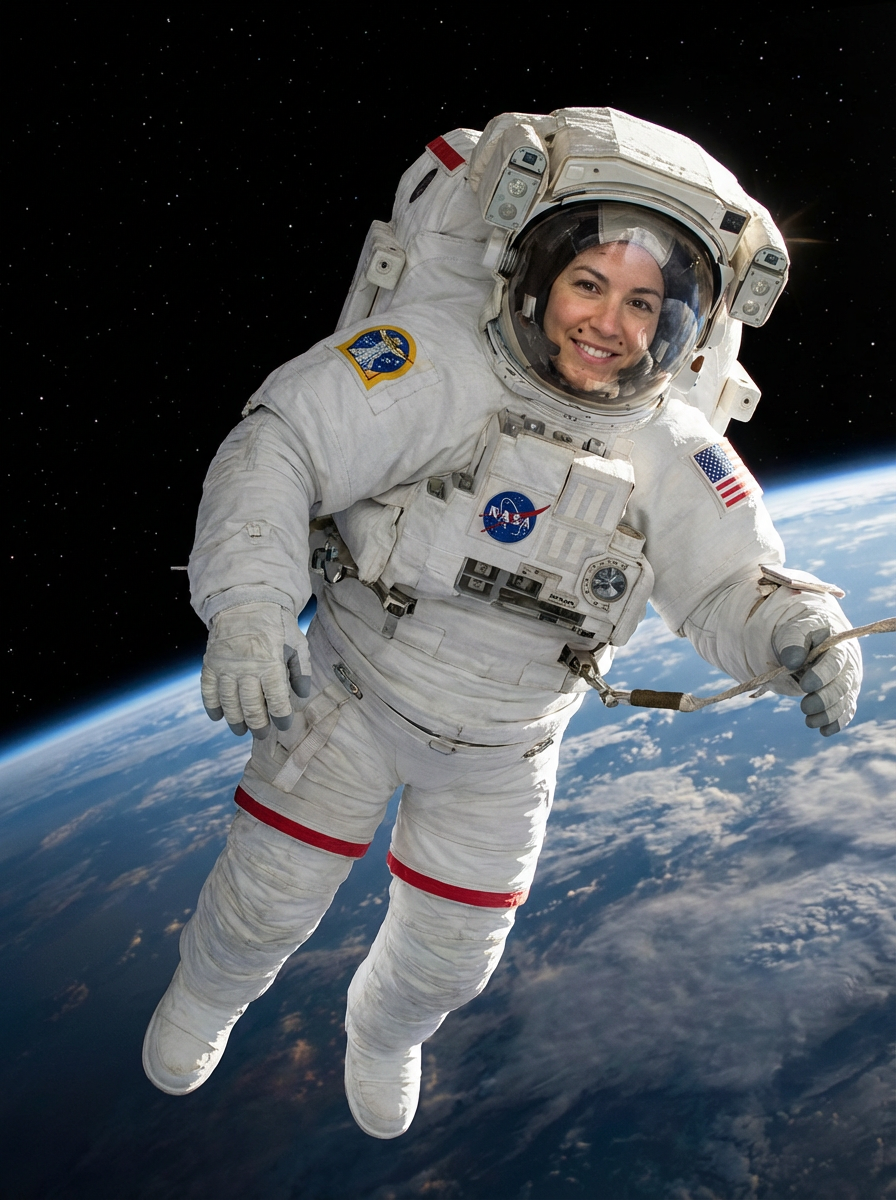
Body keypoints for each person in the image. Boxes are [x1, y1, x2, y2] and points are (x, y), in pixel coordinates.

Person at [142, 108, 862, 1138]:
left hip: (507, 747)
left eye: (643, 302)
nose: (609, 323)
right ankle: (205, 1000)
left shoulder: (677, 447)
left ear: (679, 324)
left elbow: (732, 583)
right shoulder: (429, 362)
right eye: (589, 283)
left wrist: (801, 634)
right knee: (266, 898)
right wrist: (251, 606)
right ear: (536, 273)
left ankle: (383, 1037)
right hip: (353, 693)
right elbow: (279, 446)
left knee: (451, 958)